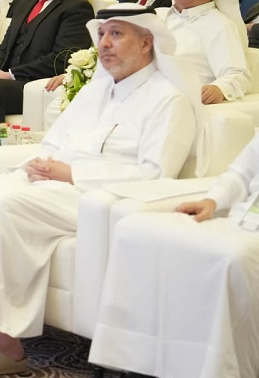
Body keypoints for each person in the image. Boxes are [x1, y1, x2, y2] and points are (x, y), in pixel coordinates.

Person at [0, 5, 198, 376]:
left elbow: (155, 174)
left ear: (147, 42)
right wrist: (37, 165)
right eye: (102, 35)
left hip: (102, 197)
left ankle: (6, 343)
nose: (104, 44)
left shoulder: (169, 99)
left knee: (7, 207)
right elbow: (54, 142)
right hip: (52, 182)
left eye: (116, 34)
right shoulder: (95, 91)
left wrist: (71, 174)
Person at [89, 134, 259, 378]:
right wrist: (212, 201)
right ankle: (133, 361)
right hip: (241, 221)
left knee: (233, 256)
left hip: (250, 239)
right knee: (133, 229)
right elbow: (240, 174)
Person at [161, 0, 250, 104]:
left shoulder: (220, 26)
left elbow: (238, 74)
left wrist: (219, 88)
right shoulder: (159, 16)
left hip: (180, 105)